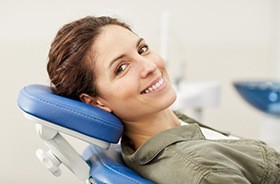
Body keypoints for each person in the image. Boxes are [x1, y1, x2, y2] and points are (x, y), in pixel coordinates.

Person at [47, 16, 280, 184]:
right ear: (96, 102)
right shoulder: (202, 173)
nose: (149, 66)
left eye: (142, 49)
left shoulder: (171, 126)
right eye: (121, 68)